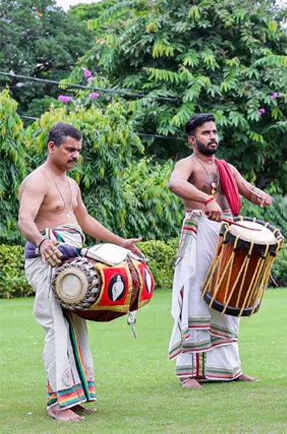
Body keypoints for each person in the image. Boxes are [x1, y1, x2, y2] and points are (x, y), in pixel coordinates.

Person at [17, 122, 142, 422]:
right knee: (57, 328)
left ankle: (76, 395)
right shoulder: (36, 181)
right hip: (48, 257)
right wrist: (42, 241)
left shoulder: (72, 184)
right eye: (70, 149)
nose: (75, 156)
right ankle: (58, 403)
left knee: (76, 328)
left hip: (73, 259)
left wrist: (120, 242)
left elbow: (85, 221)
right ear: (52, 147)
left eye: (78, 151)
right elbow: (24, 220)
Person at [167, 113, 272, 388]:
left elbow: (247, 190)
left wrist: (260, 196)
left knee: (227, 298)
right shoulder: (186, 164)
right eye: (205, 133)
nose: (212, 137)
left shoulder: (226, 167)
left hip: (227, 232)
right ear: (192, 139)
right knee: (195, 297)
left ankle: (229, 369)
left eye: (214, 132)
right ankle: (189, 372)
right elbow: (175, 184)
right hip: (200, 229)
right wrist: (206, 199)